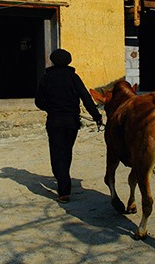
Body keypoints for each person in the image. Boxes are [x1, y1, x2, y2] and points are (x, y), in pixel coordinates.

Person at [35, 48, 103, 203]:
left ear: (53, 60)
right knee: (67, 151)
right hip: (72, 121)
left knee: (57, 153)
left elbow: (38, 102)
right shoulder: (73, 77)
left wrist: (50, 108)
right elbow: (86, 98)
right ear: (69, 61)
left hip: (54, 121)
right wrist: (97, 116)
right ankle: (64, 182)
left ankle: (63, 189)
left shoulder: (47, 78)